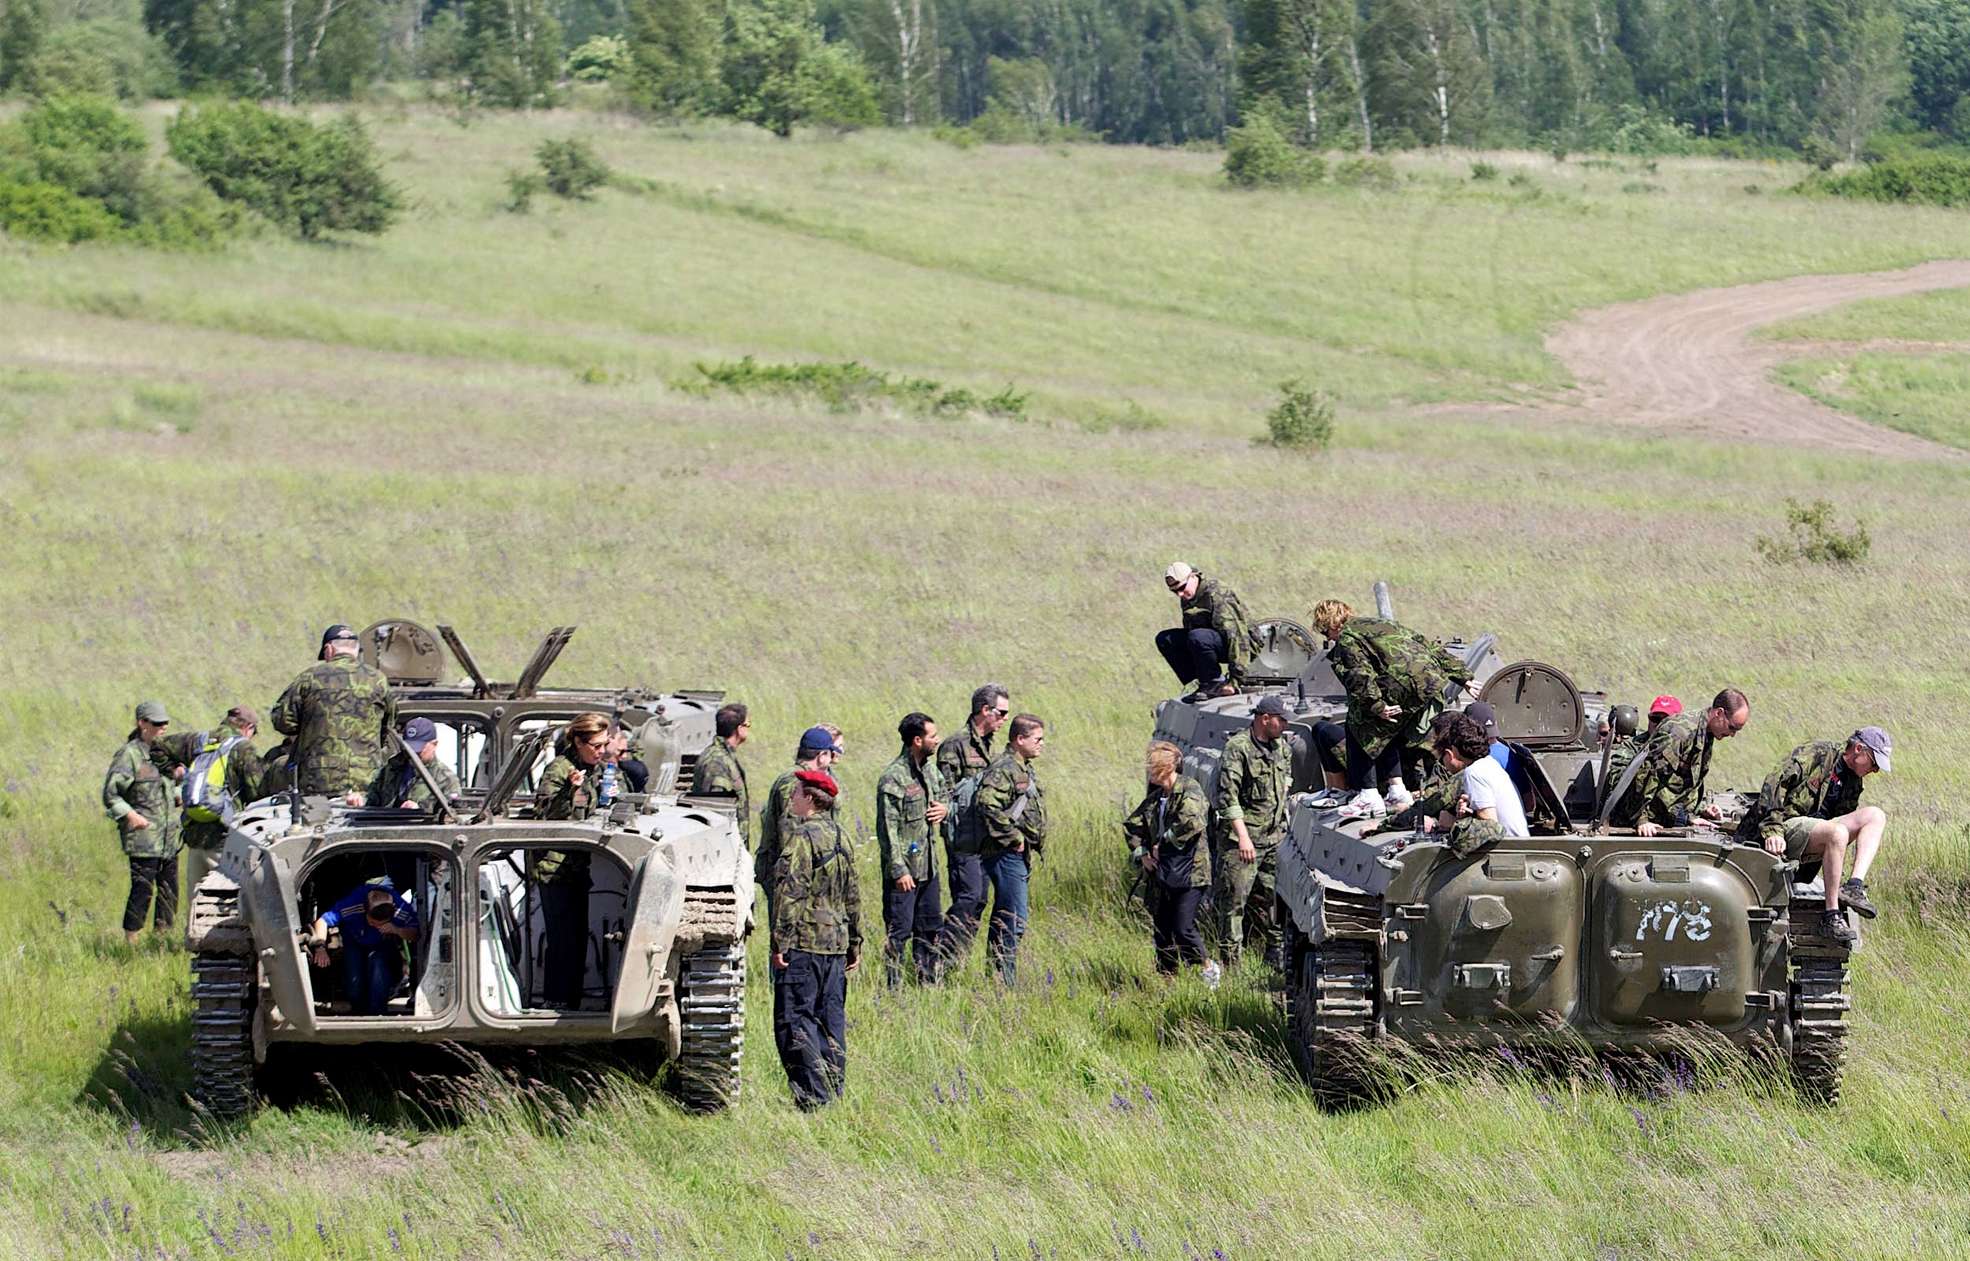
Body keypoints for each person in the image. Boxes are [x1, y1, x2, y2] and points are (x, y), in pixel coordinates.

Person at [1311, 599, 1475, 816]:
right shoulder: (1381, 624)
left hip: (1402, 689)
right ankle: (1397, 790)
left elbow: (1359, 676)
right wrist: (1463, 677)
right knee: (1386, 729)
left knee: (1358, 723)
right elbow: (1428, 645)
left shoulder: (1347, 639)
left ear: (1331, 625)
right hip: (1430, 685)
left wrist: (1377, 706)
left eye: (1326, 633)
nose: (1329, 639)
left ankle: (1368, 795)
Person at [1737, 727, 1892, 945]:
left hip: (1814, 836)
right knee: (1837, 832)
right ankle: (1831, 916)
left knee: (1875, 816)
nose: (1875, 770)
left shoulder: (1853, 782)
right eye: (1874, 762)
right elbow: (1775, 781)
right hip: (1784, 827)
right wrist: (1773, 830)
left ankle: (1854, 886)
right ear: (1858, 749)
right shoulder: (1818, 754)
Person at [769, 770, 861, 1109]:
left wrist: (781, 942)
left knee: (795, 1021)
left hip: (805, 944)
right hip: (836, 945)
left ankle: (812, 1099)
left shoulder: (802, 838)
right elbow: (853, 894)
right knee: (830, 1022)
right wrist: (855, 941)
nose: (792, 798)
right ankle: (834, 1094)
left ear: (811, 798)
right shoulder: (842, 835)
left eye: (797, 793)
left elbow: (791, 893)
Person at [531, 712, 611, 1009]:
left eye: (604, 745)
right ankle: (556, 1002)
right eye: (596, 745)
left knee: (577, 943)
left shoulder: (589, 768)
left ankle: (571, 1003)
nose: (601, 751)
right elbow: (545, 815)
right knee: (562, 943)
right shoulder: (560, 770)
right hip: (555, 869)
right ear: (578, 742)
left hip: (577, 866)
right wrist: (569, 791)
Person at [1124, 742, 1218, 982]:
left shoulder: (1190, 789)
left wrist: (1162, 843)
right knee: (1162, 930)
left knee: (1183, 927)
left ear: (1166, 767)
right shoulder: (1156, 799)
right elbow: (1132, 827)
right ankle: (1168, 979)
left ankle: (1208, 968)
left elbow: (1192, 822)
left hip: (1190, 873)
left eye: (1153, 766)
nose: (1150, 771)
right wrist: (1143, 854)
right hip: (1162, 873)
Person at [270, 623, 396, 802]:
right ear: (357, 650)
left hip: (317, 782)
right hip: (367, 782)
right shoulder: (378, 680)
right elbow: (387, 726)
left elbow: (282, 721)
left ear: (328, 650)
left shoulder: (310, 678)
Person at [1212, 695, 1294, 969]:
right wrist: (1243, 836)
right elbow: (1227, 797)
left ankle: (1276, 958)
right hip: (1243, 842)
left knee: (1274, 901)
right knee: (1234, 902)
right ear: (1264, 718)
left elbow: (1284, 787)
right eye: (1280, 720)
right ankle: (1231, 965)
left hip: (1274, 839)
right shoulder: (1238, 748)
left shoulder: (1281, 748)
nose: (1284, 725)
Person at [935, 683, 1008, 965]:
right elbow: (944, 793)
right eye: (1001, 713)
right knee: (968, 897)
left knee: (979, 900)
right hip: (964, 838)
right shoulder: (956, 745)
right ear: (984, 710)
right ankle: (938, 958)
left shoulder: (989, 746)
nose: (1004, 720)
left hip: (985, 839)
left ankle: (954, 959)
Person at [1611, 688, 1750, 835]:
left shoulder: (1706, 734)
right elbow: (1646, 774)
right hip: (1635, 822)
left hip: (1663, 820)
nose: (1733, 734)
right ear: (1719, 713)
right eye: (1732, 727)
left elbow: (1687, 782)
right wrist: (1641, 819)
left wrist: (1690, 815)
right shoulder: (1679, 732)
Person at [974, 714, 1048, 984]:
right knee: (1014, 919)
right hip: (1005, 854)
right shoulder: (1005, 768)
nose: (1042, 744)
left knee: (1006, 916)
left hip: (1015, 854)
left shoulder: (1023, 767)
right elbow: (986, 804)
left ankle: (996, 976)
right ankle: (1005, 980)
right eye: (1037, 739)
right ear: (1019, 739)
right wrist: (1013, 837)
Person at [876, 713, 948, 987]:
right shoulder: (893, 778)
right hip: (905, 874)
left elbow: (945, 795)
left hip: (929, 869)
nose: (937, 740)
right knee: (899, 933)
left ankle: (927, 983)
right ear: (917, 740)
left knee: (930, 929)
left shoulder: (931, 771)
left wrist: (946, 808)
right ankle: (894, 987)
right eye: (932, 736)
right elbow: (887, 829)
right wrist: (899, 869)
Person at [103, 700, 183, 946]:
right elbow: (111, 794)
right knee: (142, 890)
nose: (162, 728)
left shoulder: (166, 753)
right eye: (156, 723)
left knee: (170, 893)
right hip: (144, 839)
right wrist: (130, 816)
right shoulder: (130, 755)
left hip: (170, 839)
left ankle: (162, 941)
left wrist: (180, 791)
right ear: (142, 724)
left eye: (165, 724)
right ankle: (132, 941)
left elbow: (171, 789)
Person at [164, 706, 265, 899]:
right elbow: (257, 792)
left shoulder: (200, 740)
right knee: (228, 900)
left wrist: (176, 771)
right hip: (224, 837)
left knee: (196, 900)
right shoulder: (244, 748)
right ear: (248, 728)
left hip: (194, 834)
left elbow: (158, 748)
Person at [755, 726, 841, 908]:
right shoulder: (795, 782)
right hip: (790, 874)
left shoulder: (800, 778)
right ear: (821, 756)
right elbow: (790, 832)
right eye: (830, 754)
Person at [308, 883, 420, 1016]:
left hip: (383, 944)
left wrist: (397, 930)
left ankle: (378, 1014)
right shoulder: (353, 903)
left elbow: (416, 935)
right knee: (354, 986)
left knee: (379, 968)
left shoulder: (401, 909)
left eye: (381, 925)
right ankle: (358, 1013)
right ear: (364, 910)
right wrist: (320, 947)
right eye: (372, 922)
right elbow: (323, 921)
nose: (374, 926)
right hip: (354, 941)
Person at [1433, 713, 1529, 857]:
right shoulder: (1489, 764)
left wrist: (1451, 823)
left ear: (1454, 750)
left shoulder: (1474, 772)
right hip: (1517, 845)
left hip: (1508, 851)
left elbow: (1490, 826)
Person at [1155, 563, 1254, 701]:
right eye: (1175, 591)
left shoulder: (1217, 595)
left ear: (1193, 577)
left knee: (1198, 636)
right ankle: (1200, 683)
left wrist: (1235, 682)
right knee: (1166, 639)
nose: (1180, 594)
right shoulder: (1189, 596)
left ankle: (1213, 684)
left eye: (1182, 588)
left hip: (1243, 646)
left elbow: (1238, 638)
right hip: (1210, 642)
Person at [366, 717, 462, 812]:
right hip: (383, 825)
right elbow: (373, 796)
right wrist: (360, 799)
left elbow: (451, 815)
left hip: (419, 826)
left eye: (419, 750)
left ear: (434, 744)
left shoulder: (446, 780)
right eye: (409, 749)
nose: (412, 754)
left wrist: (419, 809)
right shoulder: (391, 769)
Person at [691, 703, 752, 844]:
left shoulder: (723, 756)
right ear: (739, 729)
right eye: (747, 725)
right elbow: (716, 810)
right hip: (723, 845)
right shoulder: (717, 763)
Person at [1606, 695, 1680, 784]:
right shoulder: (1633, 745)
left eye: (1665, 720)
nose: (1659, 724)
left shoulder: (1685, 748)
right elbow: (1616, 778)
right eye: (1655, 718)